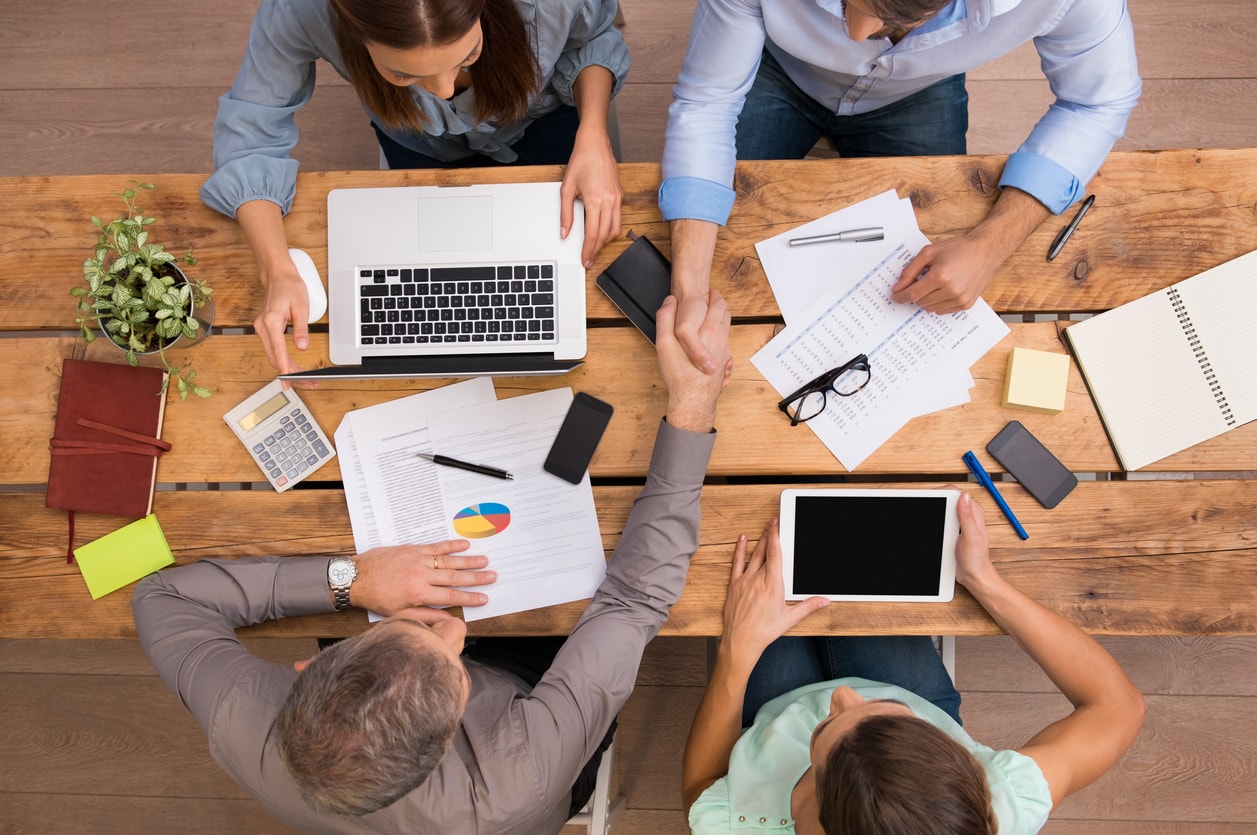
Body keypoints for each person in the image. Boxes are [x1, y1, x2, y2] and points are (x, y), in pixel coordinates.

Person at [132, 290, 734, 832]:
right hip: (536, 729)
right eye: (453, 658)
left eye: (410, 629)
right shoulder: (522, 770)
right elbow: (634, 600)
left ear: (301, 672)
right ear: (453, 732)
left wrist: (353, 581)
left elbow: (161, 597)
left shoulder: (245, 722)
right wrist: (692, 408)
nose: (452, 627)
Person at [660, 0, 1142, 374]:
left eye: (891, 19)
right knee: (719, 254)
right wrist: (689, 288)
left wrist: (991, 245)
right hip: (776, 67)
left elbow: (1097, 102)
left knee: (928, 290)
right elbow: (707, 103)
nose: (853, 35)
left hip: (917, 89)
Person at [202, 0, 629, 374]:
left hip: (544, 118)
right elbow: (250, 136)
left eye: (469, 54)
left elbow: (589, 39)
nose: (444, 90)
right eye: (404, 74)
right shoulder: (302, 9)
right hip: (418, 141)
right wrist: (275, 268)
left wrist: (594, 133)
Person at [682, 491, 1146, 833]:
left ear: (807, 820)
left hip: (771, 711)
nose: (846, 696)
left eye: (822, 736)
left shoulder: (739, 825)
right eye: (895, 715)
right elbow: (1117, 708)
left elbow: (701, 785)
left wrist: (737, 651)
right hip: (910, 686)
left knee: (761, 535)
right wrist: (986, 582)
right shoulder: (989, 810)